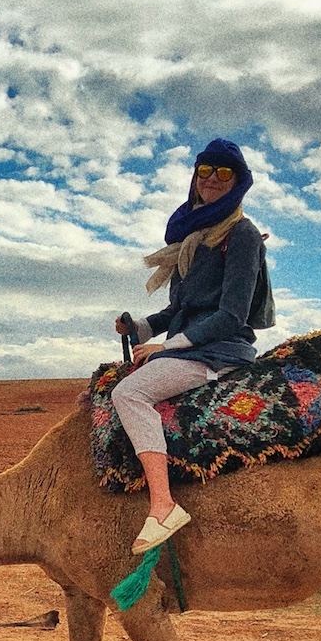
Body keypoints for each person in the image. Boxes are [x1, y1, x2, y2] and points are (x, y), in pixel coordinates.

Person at [112, 138, 270, 555]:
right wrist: (139, 329)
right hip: (194, 347)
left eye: (224, 173)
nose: (213, 181)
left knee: (128, 392)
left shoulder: (242, 235)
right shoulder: (195, 238)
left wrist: (167, 349)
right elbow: (179, 310)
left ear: (238, 182)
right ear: (195, 178)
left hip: (221, 351)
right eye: (205, 172)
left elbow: (231, 315)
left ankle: (163, 505)